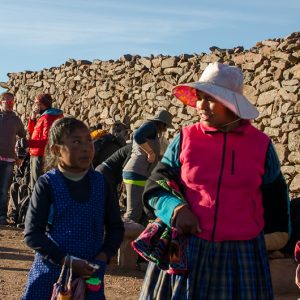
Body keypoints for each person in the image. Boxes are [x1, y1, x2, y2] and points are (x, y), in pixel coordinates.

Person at [139, 62, 289, 299]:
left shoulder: (260, 145)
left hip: (241, 254)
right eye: (199, 98)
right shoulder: (185, 139)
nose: (201, 106)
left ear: (231, 103)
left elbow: (276, 196)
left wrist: (275, 238)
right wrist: (177, 210)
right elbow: (157, 183)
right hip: (186, 247)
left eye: (210, 99)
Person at [22, 117, 124, 299]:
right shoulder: (48, 184)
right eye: (76, 141)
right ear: (56, 150)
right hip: (51, 273)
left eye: (89, 141)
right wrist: (67, 260)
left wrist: (103, 256)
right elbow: (32, 234)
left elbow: (115, 227)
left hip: (90, 275)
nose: (86, 147)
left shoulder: (101, 183)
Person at [122, 109, 173, 224]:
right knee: (133, 214)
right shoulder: (150, 126)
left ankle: (130, 238)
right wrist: (151, 152)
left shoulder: (153, 133)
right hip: (136, 172)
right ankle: (119, 239)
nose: (165, 129)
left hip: (139, 173)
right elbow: (138, 136)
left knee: (138, 212)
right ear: (162, 123)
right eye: (166, 126)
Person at [26, 93, 63, 189]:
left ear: (43, 104)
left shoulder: (48, 117)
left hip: (40, 155)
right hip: (37, 153)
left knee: (37, 186)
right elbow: (32, 132)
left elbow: (47, 141)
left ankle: (37, 204)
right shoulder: (45, 116)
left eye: (37, 103)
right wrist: (33, 118)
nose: (35, 106)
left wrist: (28, 143)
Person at [0, 92, 26, 225]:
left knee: (4, 190)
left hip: (9, 160)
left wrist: (19, 156)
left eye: (12, 103)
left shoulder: (16, 120)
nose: (10, 105)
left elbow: (23, 136)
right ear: (1, 102)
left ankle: (2, 217)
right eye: (8, 102)